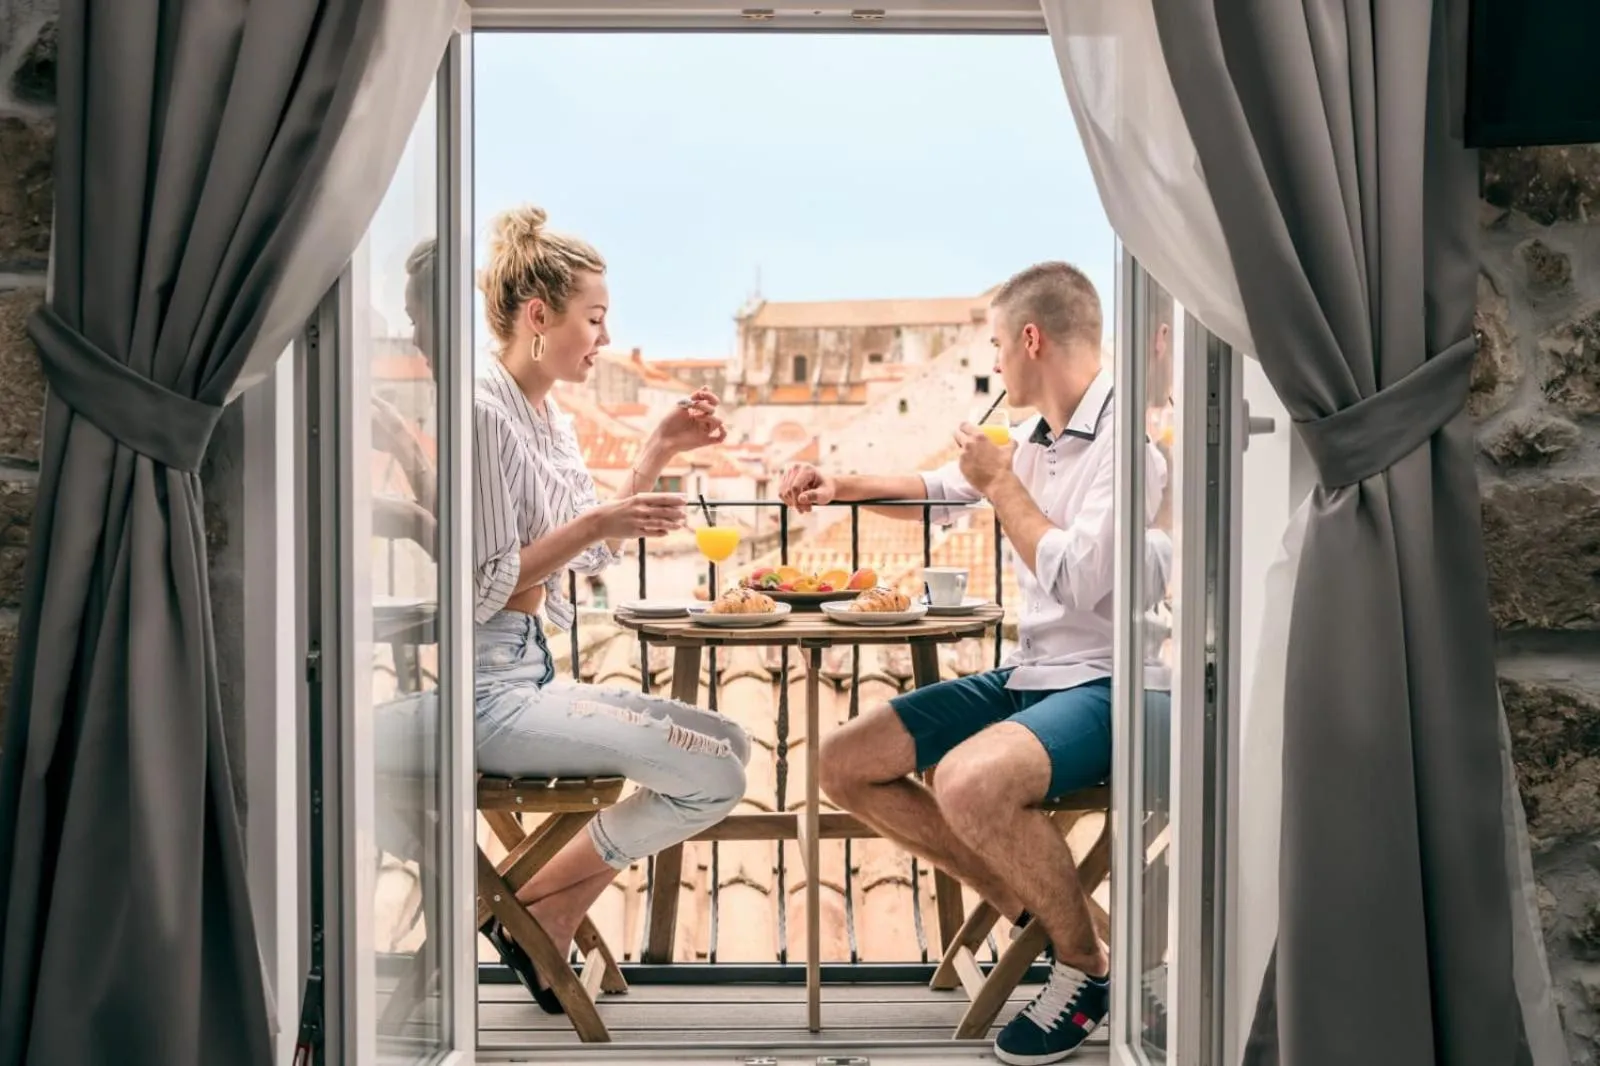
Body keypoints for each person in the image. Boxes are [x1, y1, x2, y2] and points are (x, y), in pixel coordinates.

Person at [781, 261, 1167, 1065]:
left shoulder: (1130, 446)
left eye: (997, 346)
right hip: (1035, 676)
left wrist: (1001, 487)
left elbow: (1080, 578)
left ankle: (1085, 968)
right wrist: (837, 484)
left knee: (965, 781)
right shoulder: (1037, 439)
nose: (994, 364)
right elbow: (937, 490)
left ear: (1031, 340)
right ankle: (1030, 902)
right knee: (844, 763)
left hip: (1111, 681)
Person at [473, 205, 751, 1010]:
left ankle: (546, 910)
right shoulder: (486, 414)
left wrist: (655, 453)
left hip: (531, 669)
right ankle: (535, 908)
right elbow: (485, 584)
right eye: (593, 320)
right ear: (537, 317)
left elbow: (584, 554)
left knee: (726, 739)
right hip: (486, 689)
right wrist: (598, 521)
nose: (602, 338)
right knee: (709, 773)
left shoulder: (547, 416)